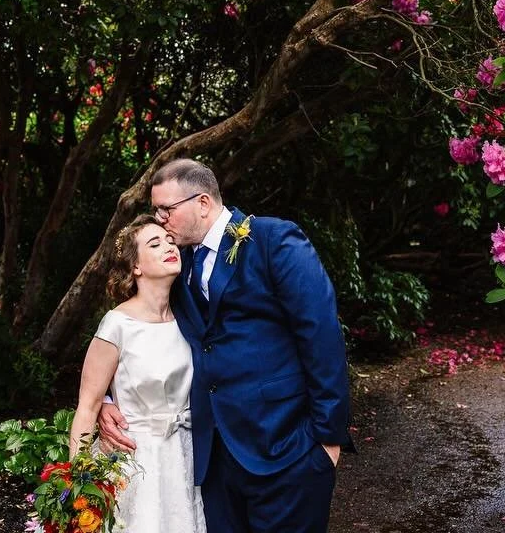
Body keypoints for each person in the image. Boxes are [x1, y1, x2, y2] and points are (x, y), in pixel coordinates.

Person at [98, 158, 352, 533]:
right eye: (155, 211)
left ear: (202, 203)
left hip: (285, 447)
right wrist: (107, 399)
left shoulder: (273, 240)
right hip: (213, 459)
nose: (160, 219)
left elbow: (321, 336)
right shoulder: (175, 262)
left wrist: (327, 441)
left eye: (166, 209)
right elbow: (137, 327)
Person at [68, 214, 208, 533]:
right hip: (136, 458)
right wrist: (78, 486)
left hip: (185, 455)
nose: (168, 246)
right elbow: (87, 406)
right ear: (136, 267)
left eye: (170, 241)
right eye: (154, 243)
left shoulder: (190, 319)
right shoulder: (117, 325)